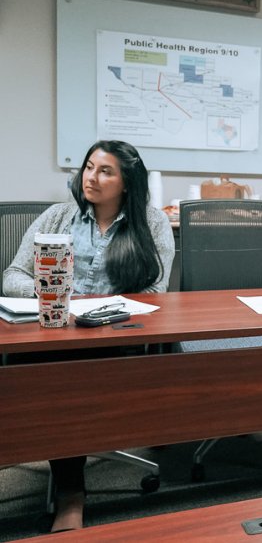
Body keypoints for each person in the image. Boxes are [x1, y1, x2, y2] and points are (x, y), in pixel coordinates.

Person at [3, 140, 174, 533]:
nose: (91, 178)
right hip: (51, 333)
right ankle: (70, 487)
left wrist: (101, 314)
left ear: (127, 182)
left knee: (64, 381)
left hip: (114, 337)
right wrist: (53, 296)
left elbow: (155, 293)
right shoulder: (57, 216)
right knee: (52, 374)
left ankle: (70, 495)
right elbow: (13, 274)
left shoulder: (152, 222)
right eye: (89, 167)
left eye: (105, 171)